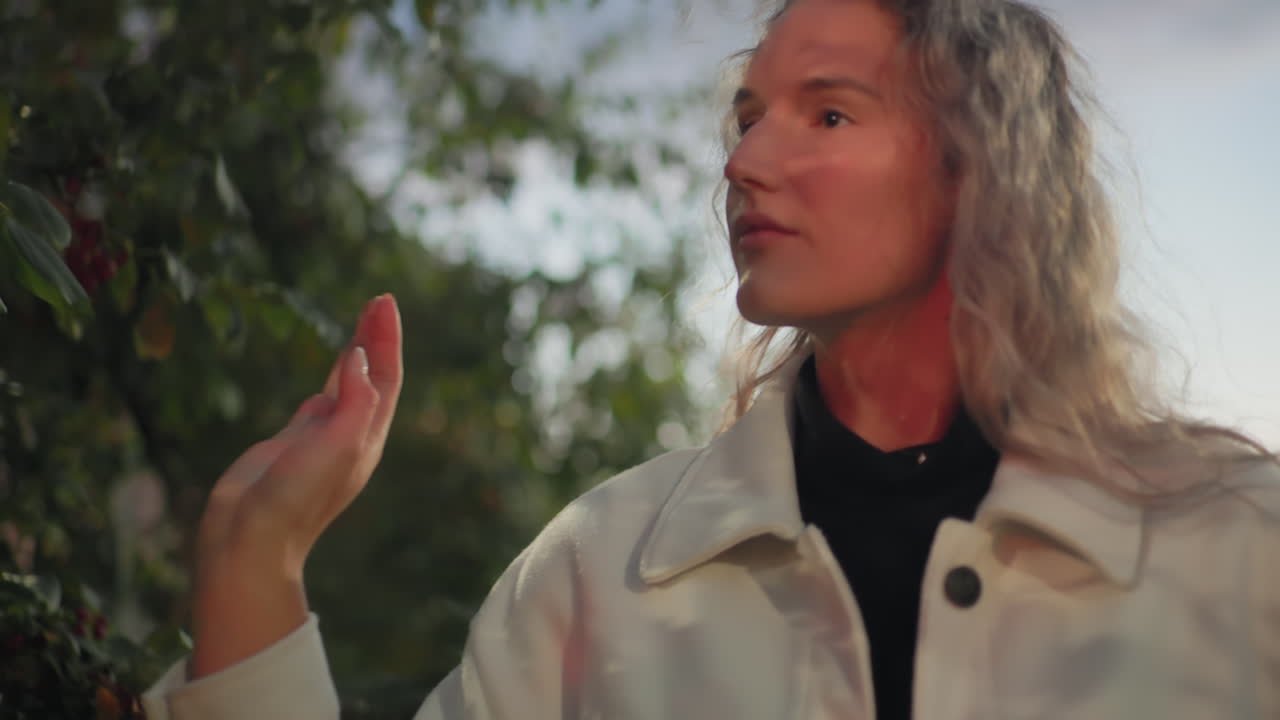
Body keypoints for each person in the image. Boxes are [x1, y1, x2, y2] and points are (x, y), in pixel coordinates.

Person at [142, 0, 1280, 717]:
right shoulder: (599, 571)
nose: (743, 163)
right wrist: (254, 563)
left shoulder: (1238, 548)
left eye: (825, 116)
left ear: (976, 165)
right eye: (746, 118)